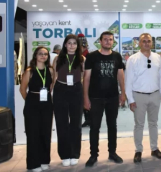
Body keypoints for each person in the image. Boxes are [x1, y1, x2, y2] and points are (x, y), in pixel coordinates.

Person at [83, 31, 126, 167]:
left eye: (110, 39)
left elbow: (121, 76)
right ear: (100, 41)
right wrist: (85, 98)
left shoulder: (117, 56)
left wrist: (123, 93)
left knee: (112, 126)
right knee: (94, 127)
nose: (108, 41)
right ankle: (93, 155)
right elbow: (87, 79)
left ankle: (112, 153)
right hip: (95, 98)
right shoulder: (91, 57)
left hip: (112, 97)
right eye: (105, 39)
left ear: (113, 42)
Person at [126, 33, 161, 163]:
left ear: (152, 43)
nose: (146, 43)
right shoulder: (132, 59)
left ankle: (154, 149)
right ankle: (138, 150)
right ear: (139, 43)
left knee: (153, 123)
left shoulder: (157, 58)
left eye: (148, 41)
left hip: (155, 95)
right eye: (144, 41)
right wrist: (131, 100)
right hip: (139, 96)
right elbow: (128, 82)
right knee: (139, 125)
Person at [52, 34, 85, 166]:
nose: (72, 45)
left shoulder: (82, 59)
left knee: (76, 124)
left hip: (76, 90)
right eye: (69, 43)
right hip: (60, 90)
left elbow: (83, 77)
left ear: (77, 46)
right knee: (62, 123)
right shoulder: (57, 59)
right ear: (65, 45)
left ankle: (74, 153)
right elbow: (54, 76)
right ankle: (65, 154)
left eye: (74, 43)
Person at [20, 47, 54, 172]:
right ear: (35, 56)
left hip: (47, 104)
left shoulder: (50, 70)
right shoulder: (30, 71)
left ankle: (45, 160)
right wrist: (30, 102)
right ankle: (33, 164)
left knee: (46, 133)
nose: (43, 56)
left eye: (45, 54)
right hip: (32, 105)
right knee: (33, 134)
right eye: (40, 54)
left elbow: (51, 85)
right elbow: (22, 90)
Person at [78, 33, 91, 128]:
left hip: (86, 81)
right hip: (78, 81)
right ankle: (87, 119)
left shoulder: (87, 56)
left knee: (86, 100)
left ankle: (89, 119)